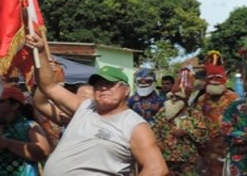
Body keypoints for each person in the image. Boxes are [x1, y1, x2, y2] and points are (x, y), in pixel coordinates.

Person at [30, 34, 168, 176]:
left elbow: (157, 169)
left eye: (110, 84)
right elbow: (49, 86)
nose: (103, 88)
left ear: (127, 90)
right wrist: (40, 52)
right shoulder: (85, 107)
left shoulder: (135, 126)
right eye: (98, 85)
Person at [152, 67, 208, 175]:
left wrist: (187, 132)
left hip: (187, 160)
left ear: (184, 99)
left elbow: (203, 135)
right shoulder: (162, 112)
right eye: (171, 97)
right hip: (165, 158)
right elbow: (154, 130)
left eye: (176, 97)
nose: (173, 100)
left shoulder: (194, 114)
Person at [195, 50, 238, 176]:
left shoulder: (233, 98)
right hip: (208, 148)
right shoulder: (201, 99)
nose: (214, 81)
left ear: (224, 79)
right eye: (211, 78)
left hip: (230, 147)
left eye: (218, 78)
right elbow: (197, 122)